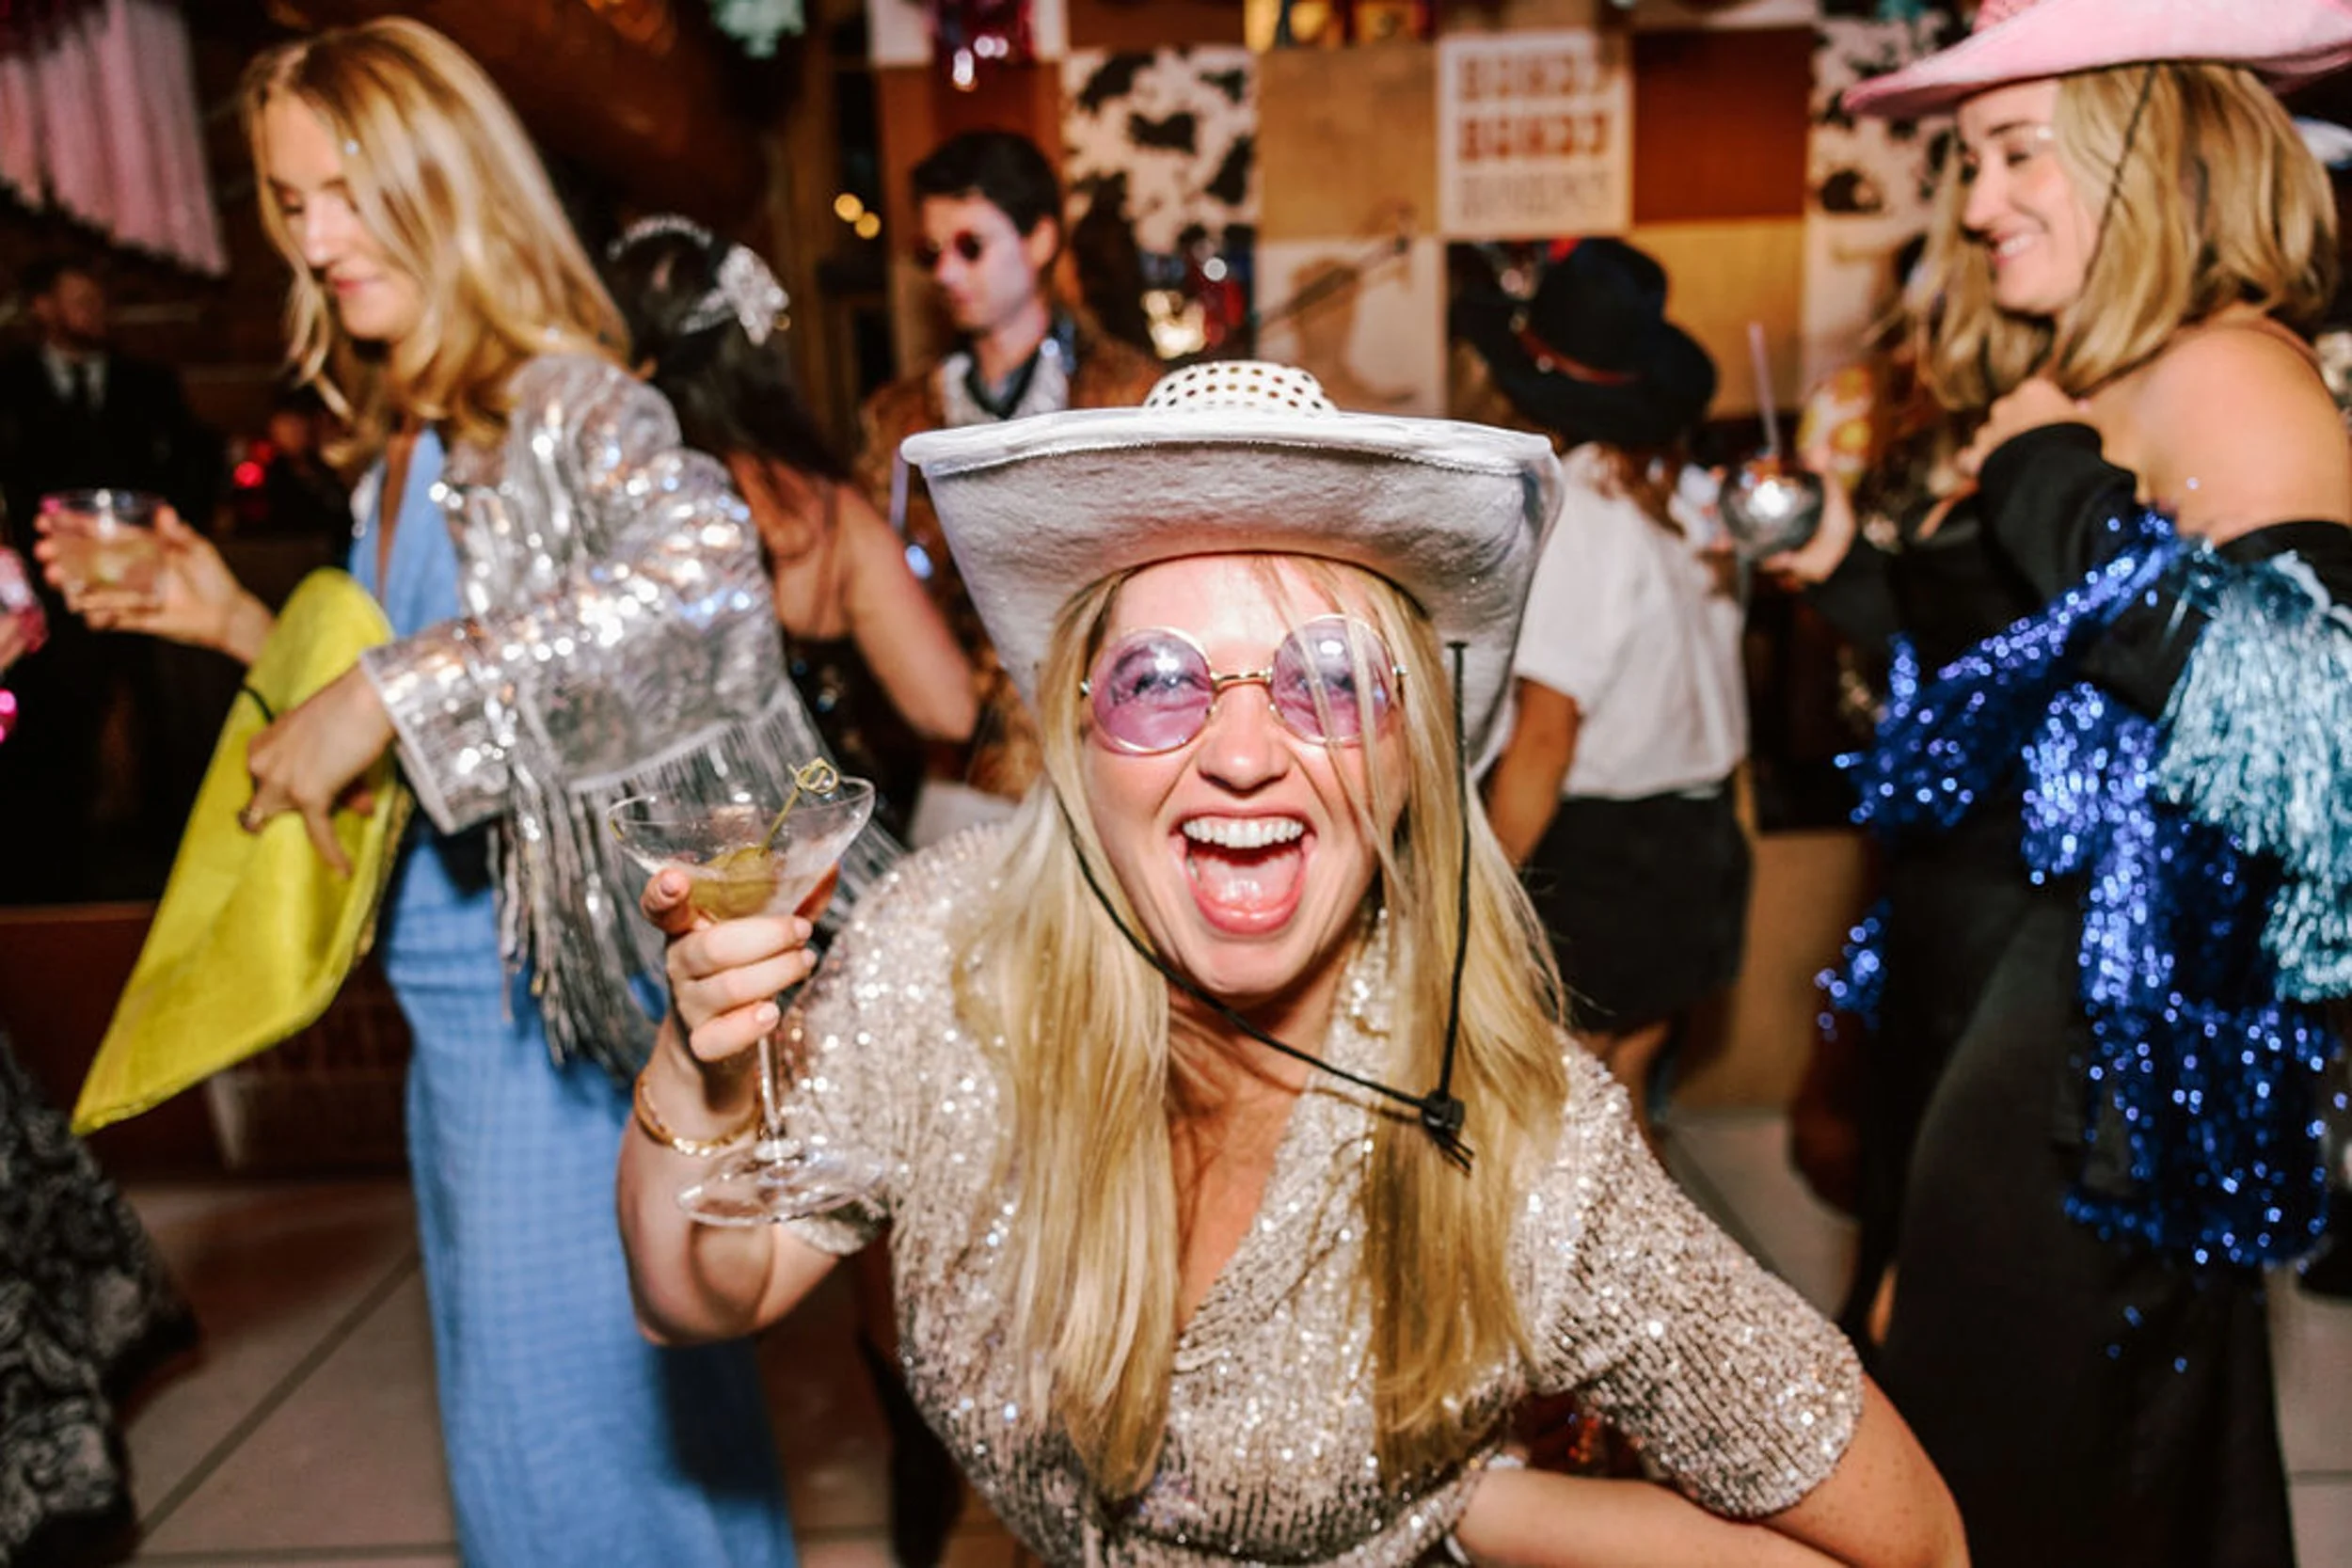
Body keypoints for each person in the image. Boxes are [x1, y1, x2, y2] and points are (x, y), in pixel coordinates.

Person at [617, 359, 1967, 1566]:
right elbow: (700, 1292)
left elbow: (1903, 1545)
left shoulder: (1520, 1136)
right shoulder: (941, 958)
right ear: (1079, 737)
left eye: (1328, 679)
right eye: (1158, 678)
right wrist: (700, 1061)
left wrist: (1450, 1507)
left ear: (1409, 753)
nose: (1246, 750)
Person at [40, 20, 890, 1565]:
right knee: (535, 1464)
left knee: (598, 1477)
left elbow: (706, 590)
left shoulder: (560, 409)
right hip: (452, 1042)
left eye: (347, 189)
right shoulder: (393, 457)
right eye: (290, 204)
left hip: (561, 1049)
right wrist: (230, 620)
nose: (317, 237)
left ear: (446, 178)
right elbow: (416, 756)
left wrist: (383, 687)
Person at [1766, 3, 2352, 1560]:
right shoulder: (2097, 372)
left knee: (2002, 1480)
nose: (1972, 203)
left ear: (2151, 154)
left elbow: (2316, 729)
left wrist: (2048, 486)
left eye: (2017, 151)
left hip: (2088, 1049)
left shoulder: (2230, 374)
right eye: (1967, 158)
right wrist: (1852, 571)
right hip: (1977, 1000)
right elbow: (2010, 708)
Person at [1462, 238, 1748, 1148]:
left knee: (1559, 1124)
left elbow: (1547, 731)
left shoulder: (1582, 506)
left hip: (1603, 857)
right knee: (1628, 1101)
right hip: (1699, 839)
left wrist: (1479, 889)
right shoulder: (1690, 494)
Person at [604, 217, 977, 836]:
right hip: (812, 864)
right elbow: (950, 711)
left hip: (649, 858)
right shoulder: (822, 511)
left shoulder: (606, 504)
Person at [856, 129, 1160, 821]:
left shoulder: (1133, 397)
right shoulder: (896, 420)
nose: (945, 273)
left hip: (1107, 763)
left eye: (970, 246)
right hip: (957, 772)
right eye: (931, 252)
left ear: (1041, 241)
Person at [0, 257, 225, 902]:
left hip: (147, 592)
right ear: (42, 306)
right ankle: (50, 886)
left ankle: (167, 878)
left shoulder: (146, 385)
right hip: (39, 605)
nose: (93, 312)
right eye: (78, 298)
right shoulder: (8, 385)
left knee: (164, 729)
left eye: (100, 300)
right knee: (49, 747)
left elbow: (193, 464)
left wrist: (169, 539)